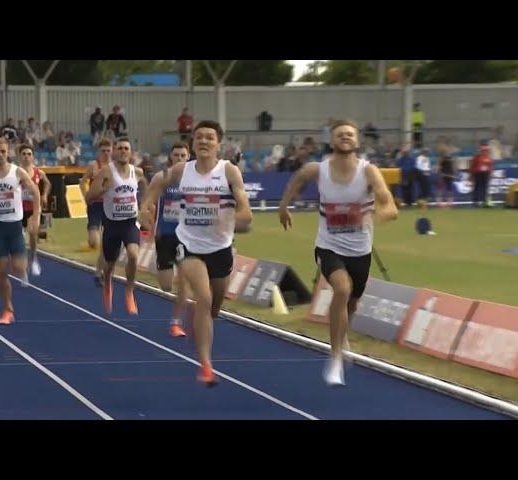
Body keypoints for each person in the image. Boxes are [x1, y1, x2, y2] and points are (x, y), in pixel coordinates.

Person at [278, 119, 398, 386]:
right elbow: (297, 180)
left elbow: (388, 202)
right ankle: (335, 358)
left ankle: (341, 336)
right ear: (332, 142)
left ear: (357, 141)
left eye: (350, 134)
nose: (345, 137)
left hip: (360, 250)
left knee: (352, 303)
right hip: (328, 247)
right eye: (340, 134)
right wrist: (283, 206)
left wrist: (383, 213)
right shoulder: (317, 170)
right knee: (341, 290)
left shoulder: (369, 172)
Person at [140, 120, 253, 386]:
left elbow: (245, 210)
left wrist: (235, 220)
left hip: (221, 247)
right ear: (192, 143)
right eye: (199, 137)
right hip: (187, 244)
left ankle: (204, 317)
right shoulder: (182, 170)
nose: (203, 141)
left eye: (209, 138)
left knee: (214, 304)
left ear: (219, 144)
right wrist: (146, 205)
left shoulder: (229, 171)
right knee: (202, 297)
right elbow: (158, 182)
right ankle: (206, 364)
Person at [0, 137, 41, 325]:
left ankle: (22, 265)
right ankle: (7, 309)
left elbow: (35, 191)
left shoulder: (17, 172)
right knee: (2, 271)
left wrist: (35, 216)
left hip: (14, 226)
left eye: (3, 151)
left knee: (19, 268)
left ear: (8, 152)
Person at [88, 137, 147, 316]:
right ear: (115, 151)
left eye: (126, 148)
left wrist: (145, 205)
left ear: (131, 152)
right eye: (119, 148)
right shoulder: (107, 171)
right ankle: (108, 282)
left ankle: (129, 291)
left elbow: (147, 187)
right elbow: (89, 196)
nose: (122, 151)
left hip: (130, 223)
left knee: (133, 255)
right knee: (109, 265)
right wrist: (103, 190)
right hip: (112, 224)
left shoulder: (137, 172)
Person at [148, 142, 191, 337]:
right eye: (177, 155)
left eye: (183, 155)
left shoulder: (196, 179)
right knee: (166, 285)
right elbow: (149, 203)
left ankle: (176, 321)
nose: (180, 159)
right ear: (171, 158)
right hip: (165, 235)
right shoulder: (163, 177)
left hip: (187, 237)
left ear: (188, 157)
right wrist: (148, 225)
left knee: (184, 280)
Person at [79, 137, 112, 286]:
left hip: (110, 206)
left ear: (112, 151)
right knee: (94, 242)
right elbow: (82, 181)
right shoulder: (93, 165)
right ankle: (91, 239)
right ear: (99, 151)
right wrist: (86, 195)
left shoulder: (114, 166)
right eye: (103, 151)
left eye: (108, 150)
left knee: (106, 244)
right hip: (95, 206)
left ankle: (98, 273)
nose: (106, 153)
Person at [18, 144, 51, 276]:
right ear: (20, 156)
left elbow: (48, 183)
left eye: (29, 154)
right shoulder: (16, 172)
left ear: (33, 156)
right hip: (19, 210)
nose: (26, 156)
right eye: (24, 154)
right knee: (19, 238)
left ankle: (34, 258)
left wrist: (44, 195)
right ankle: (23, 264)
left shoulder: (38, 172)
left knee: (32, 232)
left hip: (33, 208)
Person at [470, 143, 493, 207]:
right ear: (480, 150)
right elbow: (473, 165)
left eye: (485, 150)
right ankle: (475, 201)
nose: (484, 151)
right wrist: (472, 173)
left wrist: (490, 173)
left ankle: (484, 201)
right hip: (478, 173)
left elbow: (490, 166)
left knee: (485, 188)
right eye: (483, 150)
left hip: (486, 174)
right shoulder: (477, 157)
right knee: (477, 187)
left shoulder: (488, 157)